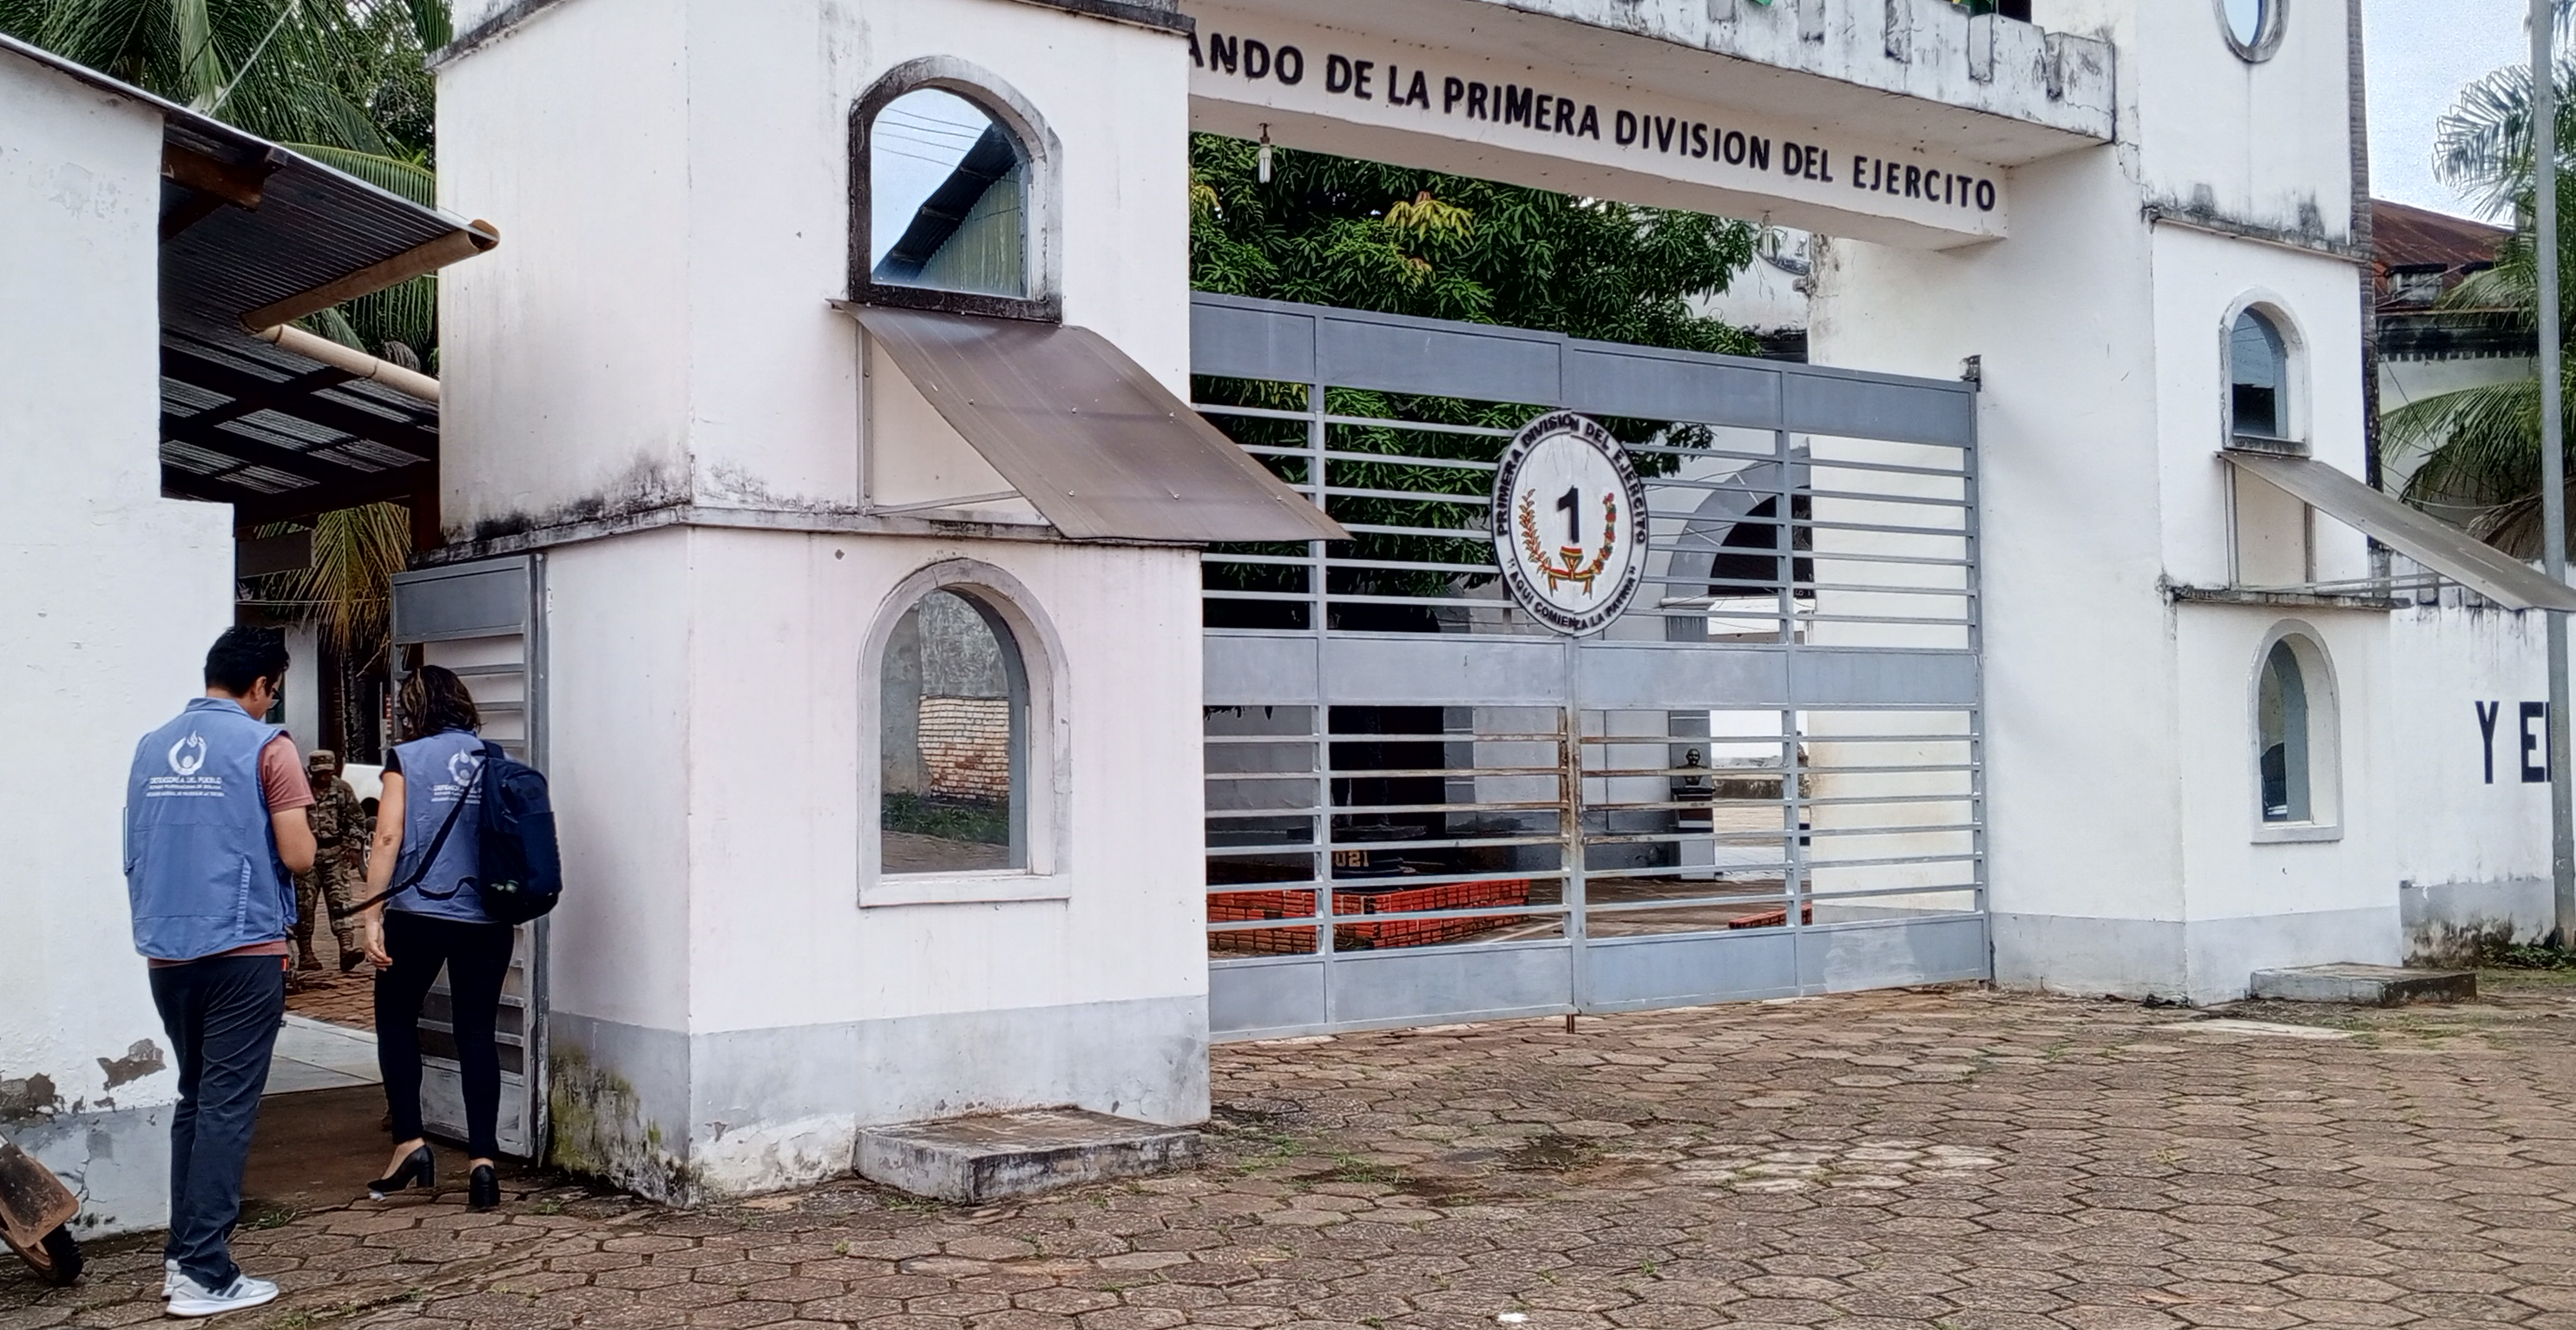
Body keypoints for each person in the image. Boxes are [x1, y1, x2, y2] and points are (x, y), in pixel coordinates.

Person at [123, 627, 317, 1318]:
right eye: (273, 690)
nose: (272, 701)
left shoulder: (151, 746)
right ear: (263, 685)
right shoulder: (270, 746)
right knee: (227, 1108)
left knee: (196, 1100)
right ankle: (205, 1272)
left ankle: (185, 1259)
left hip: (167, 950)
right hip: (242, 951)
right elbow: (297, 855)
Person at [356, 665, 510, 1211]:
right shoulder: (493, 759)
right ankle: (484, 1164)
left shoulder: (407, 759)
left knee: (396, 1018)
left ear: (415, 708)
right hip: (487, 918)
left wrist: (372, 913)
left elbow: (388, 834)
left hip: (418, 912)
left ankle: (411, 1144)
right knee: (476, 1033)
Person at [291, 750, 366, 975]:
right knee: (304, 907)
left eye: (328, 772)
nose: (324, 777)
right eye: (319, 773)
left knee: (341, 902)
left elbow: (357, 818)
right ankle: (306, 954)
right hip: (308, 856)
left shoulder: (342, 789)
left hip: (335, 854)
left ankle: (346, 949)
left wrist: (354, 846)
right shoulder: (300, 789)